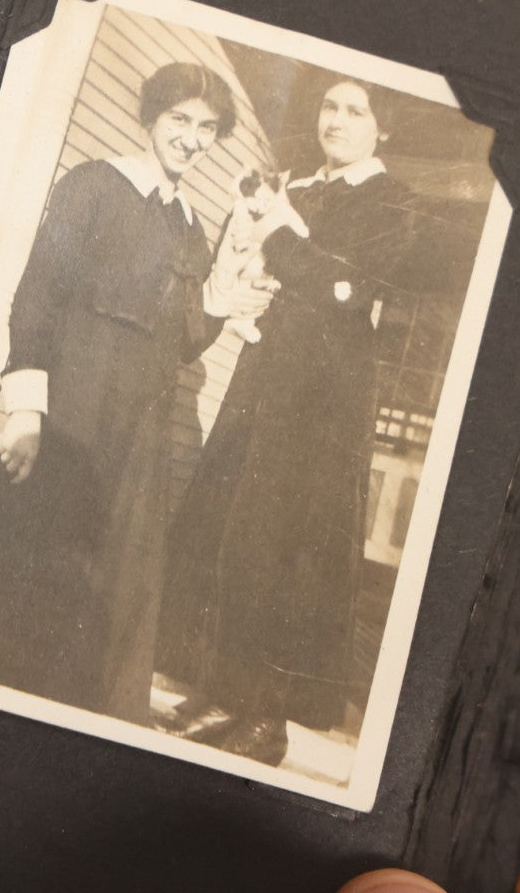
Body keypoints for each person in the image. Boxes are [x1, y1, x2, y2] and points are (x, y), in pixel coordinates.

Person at [0, 62, 271, 722]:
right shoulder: (93, 185)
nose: (192, 139)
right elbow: (37, 294)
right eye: (180, 121)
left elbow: (182, 340)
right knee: (30, 567)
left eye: (207, 129)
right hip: (72, 406)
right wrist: (26, 410)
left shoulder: (191, 226)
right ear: (150, 118)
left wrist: (224, 302)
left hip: (136, 423)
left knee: (99, 592)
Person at [155, 77, 420, 765]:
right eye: (328, 107)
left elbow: (346, 291)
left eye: (354, 110)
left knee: (287, 548)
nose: (335, 120)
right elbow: (264, 263)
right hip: (265, 379)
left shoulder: (394, 204)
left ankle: (264, 716)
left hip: (324, 402)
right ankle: (221, 691)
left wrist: (280, 229)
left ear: (381, 127)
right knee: (232, 529)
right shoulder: (298, 191)